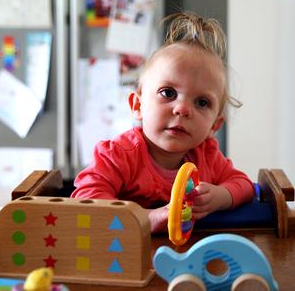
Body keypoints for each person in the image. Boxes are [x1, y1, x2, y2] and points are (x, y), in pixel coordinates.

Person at [72, 12, 255, 233]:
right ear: (137, 106)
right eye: (168, 93)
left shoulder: (206, 155)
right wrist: (148, 218)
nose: (183, 109)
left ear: (214, 126)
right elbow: (86, 200)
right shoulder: (120, 154)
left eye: (202, 102)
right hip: (123, 259)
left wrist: (221, 196)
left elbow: (244, 185)